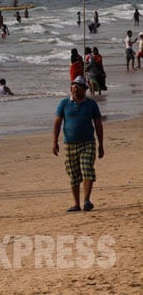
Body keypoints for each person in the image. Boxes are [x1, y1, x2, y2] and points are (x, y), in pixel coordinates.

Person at [52, 76, 104, 213]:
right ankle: (76, 204)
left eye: (78, 87)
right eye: (73, 86)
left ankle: (86, 200)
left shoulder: (91, 104)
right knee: (73, 174)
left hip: (88, 142)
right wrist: (54, 142)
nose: (75, 89)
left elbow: (98, 124)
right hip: (69, 144)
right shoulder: (64, 103)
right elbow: (57, 123)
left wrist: (101, 145)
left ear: (85, 90)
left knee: (87, 168)